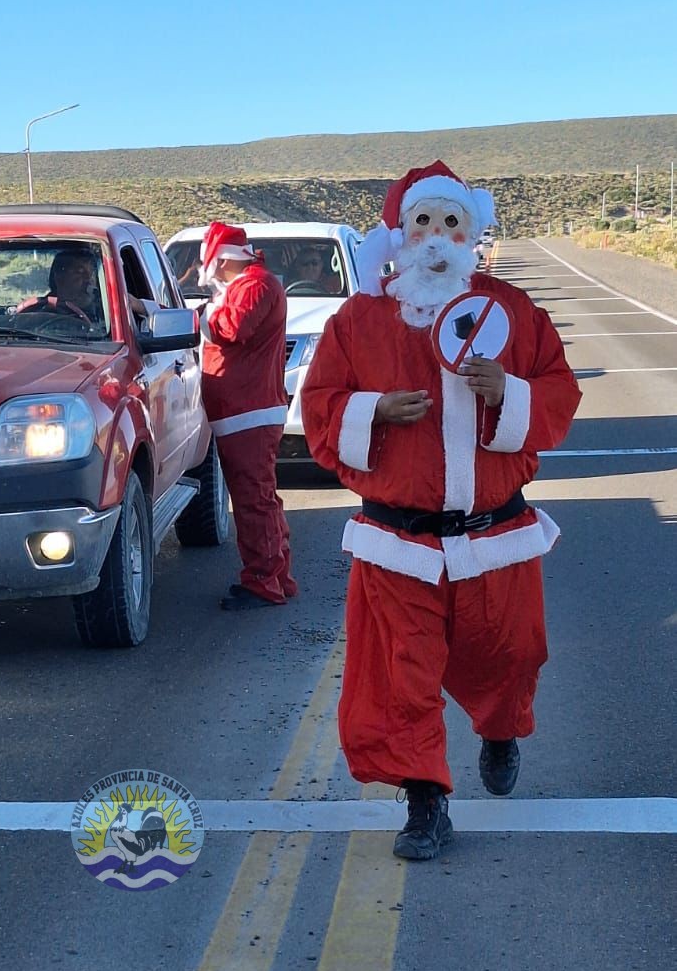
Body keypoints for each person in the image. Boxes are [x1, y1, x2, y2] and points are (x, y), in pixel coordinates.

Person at [301, 161, 581, 860]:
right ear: (401, 234)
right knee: (402, 678)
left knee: (511, 654)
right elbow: (320, 406)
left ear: (471, 234)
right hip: (400, 543)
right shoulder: (359, 319)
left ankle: (499, 729)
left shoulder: (512, 311)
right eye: (422, 222)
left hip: (498, 539)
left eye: (450, 222)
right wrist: (374, 410)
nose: (436, 236)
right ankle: (425, 802)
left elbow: (559, 390)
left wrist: (508, 391)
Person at [197, 221, 296, 610]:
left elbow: (231, 327)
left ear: (221, 260)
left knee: (254, 499)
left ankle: (263, 580)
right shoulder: (252, 284)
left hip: (247, 410)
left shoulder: (253, 286)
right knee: (262, 497)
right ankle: (277, 575)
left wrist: (198, 318)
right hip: (245, 409)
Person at [16, 248, 104, 324]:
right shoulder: (38, 310)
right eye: (80, 272)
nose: (88, 279)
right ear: (59, 276)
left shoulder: (105, 312)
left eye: (92, 273)